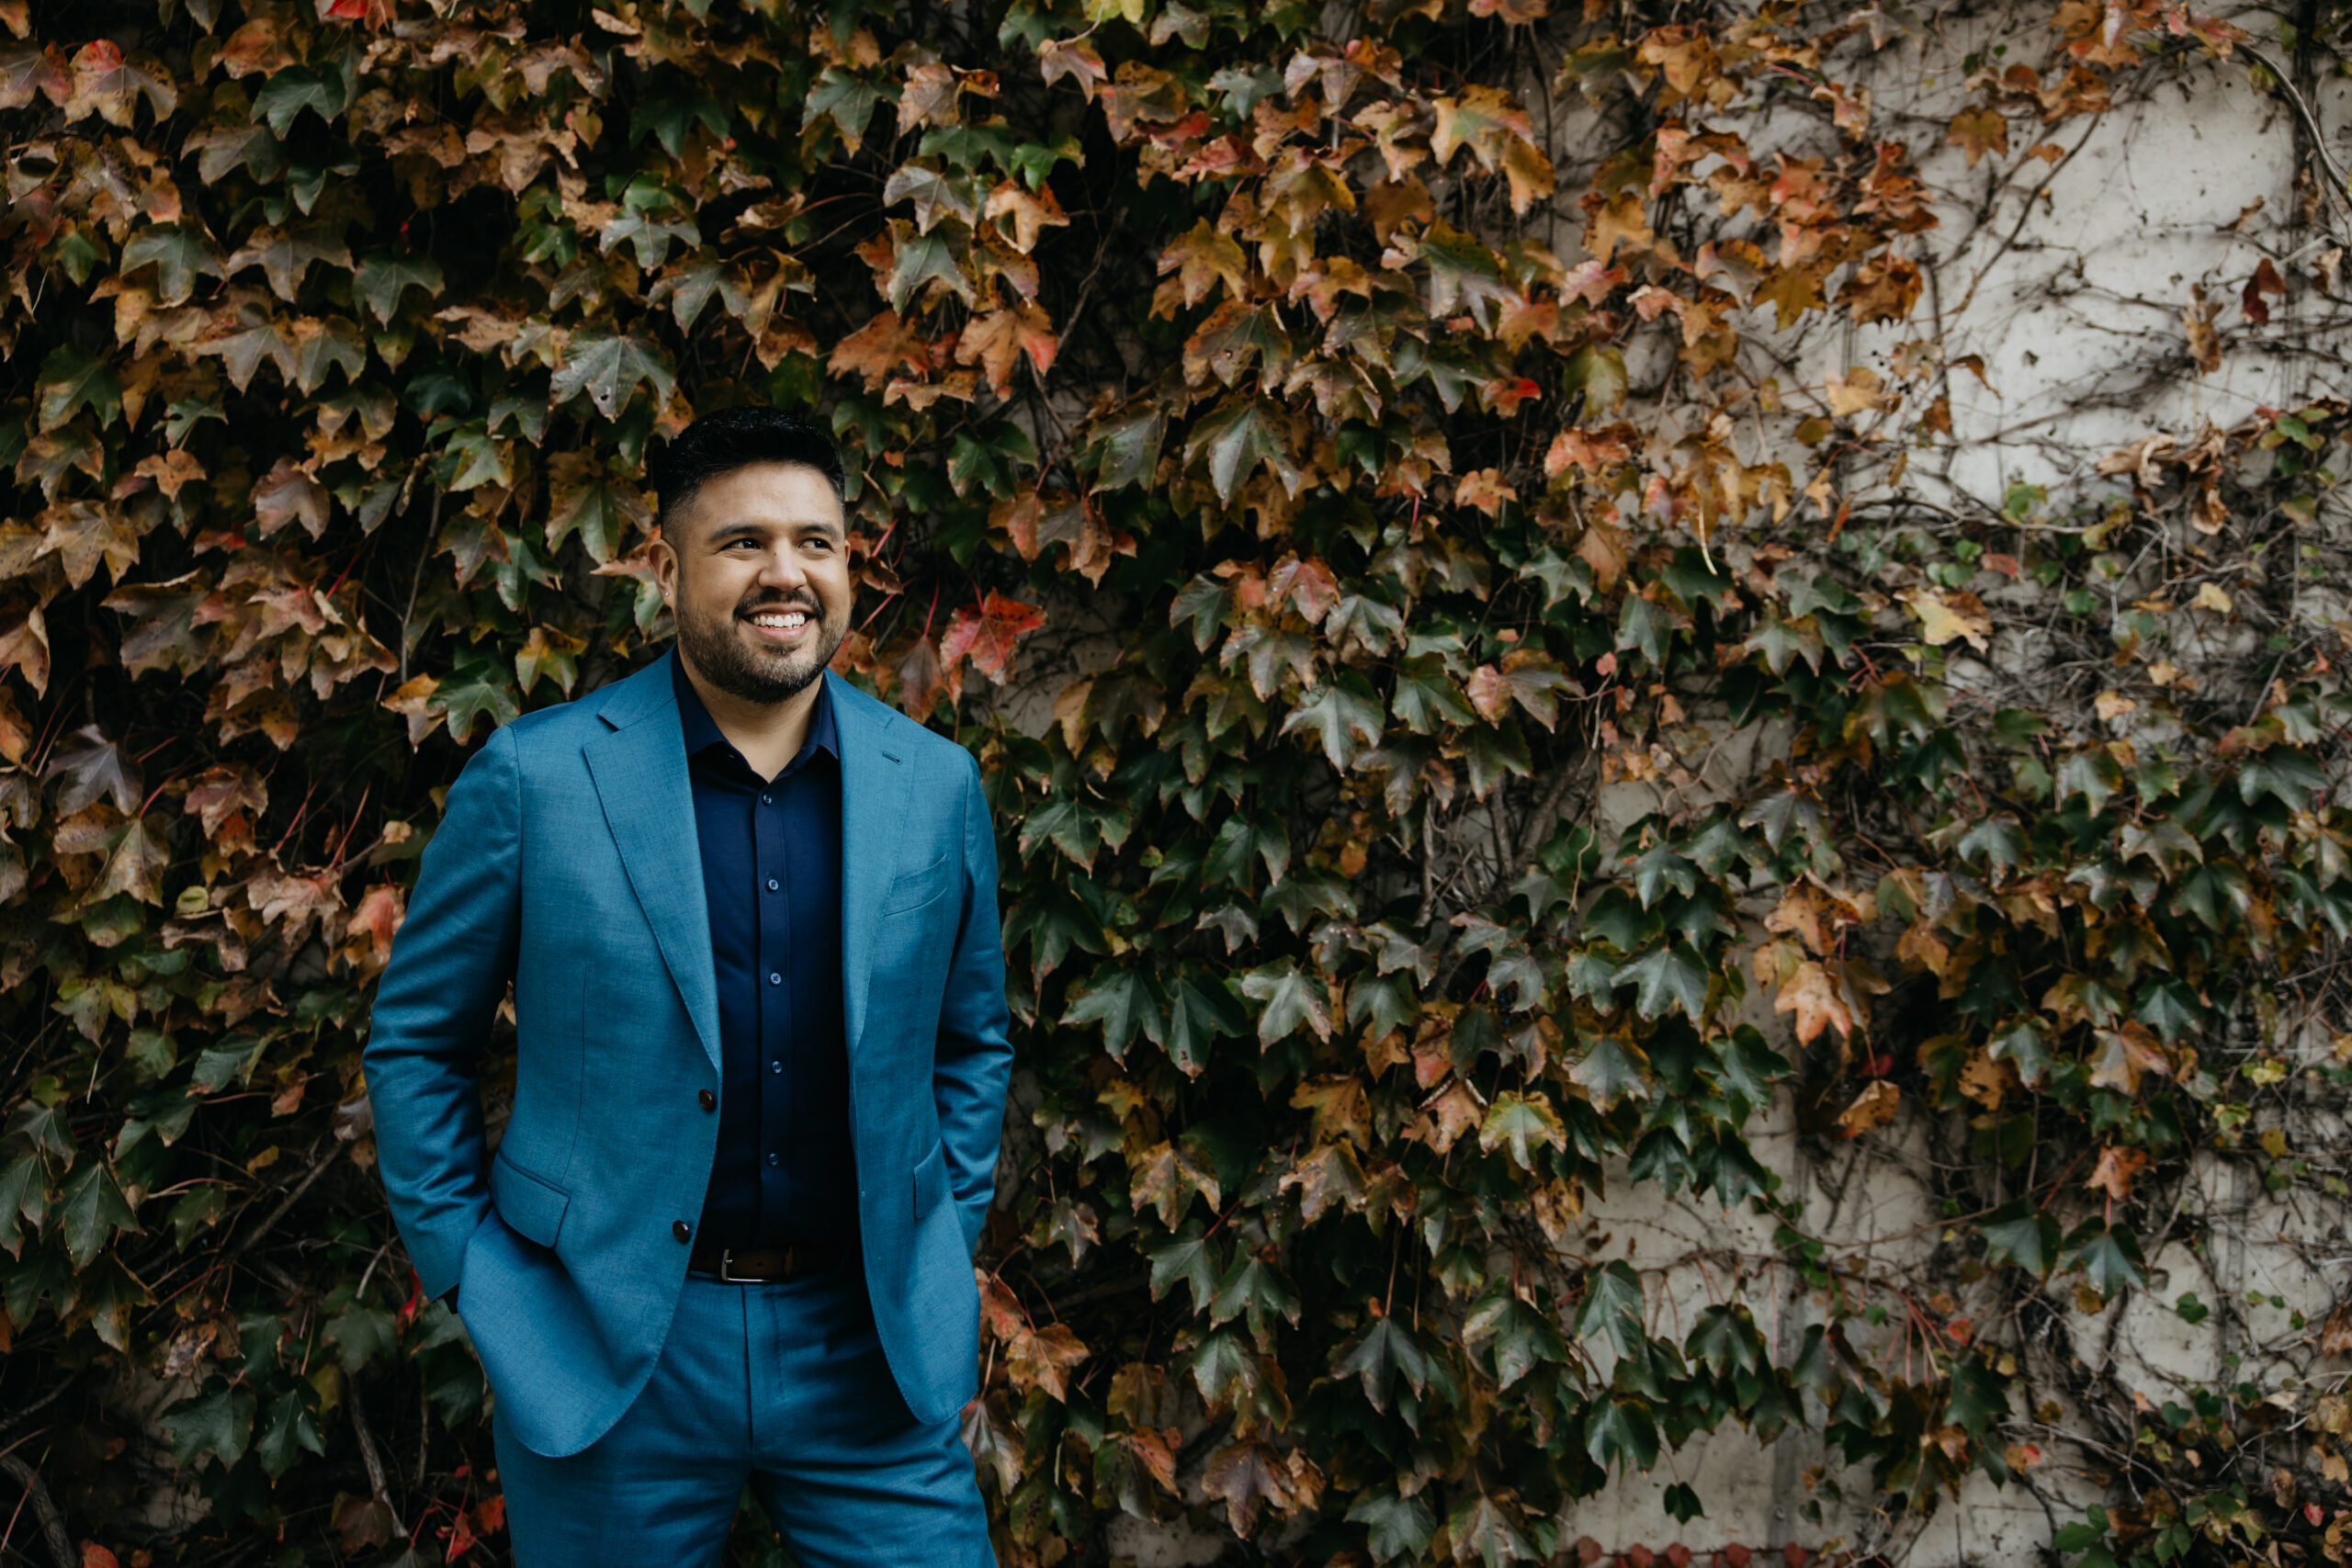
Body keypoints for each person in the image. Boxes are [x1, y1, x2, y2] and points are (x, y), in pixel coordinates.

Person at [362, 405, 1011, 1565]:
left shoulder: (937, 786)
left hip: (868, 1350)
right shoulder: (537, 781)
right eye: (742, 542)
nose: (786, 574)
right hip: (608, 1348)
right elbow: (416, 1044)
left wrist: (939, 1237)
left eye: (816, 541)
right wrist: (481, 1279)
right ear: (665, 568)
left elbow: (967, 1043)